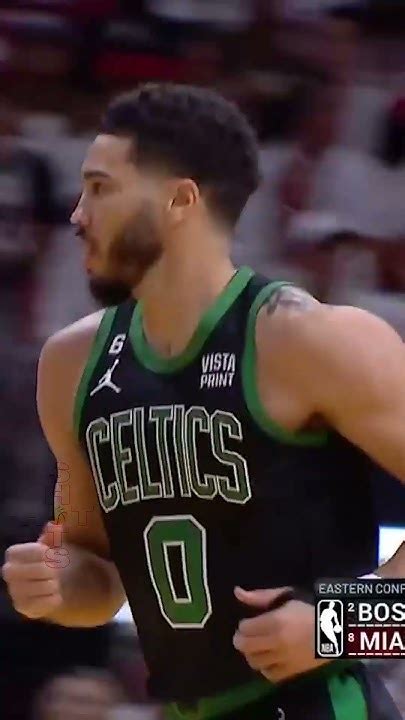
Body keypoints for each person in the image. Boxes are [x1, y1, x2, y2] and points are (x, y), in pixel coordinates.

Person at [2, 84, 405, 720]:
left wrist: (335, 627)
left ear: (180, 200)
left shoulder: (307, 338)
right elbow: (100, 580)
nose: (77, 214)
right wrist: (54, 583)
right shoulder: (71, 363)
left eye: (101, 189)